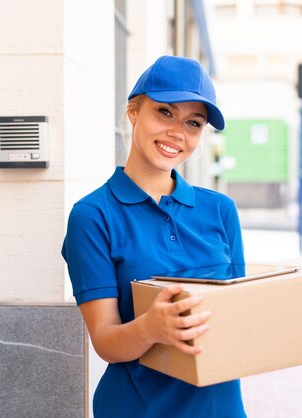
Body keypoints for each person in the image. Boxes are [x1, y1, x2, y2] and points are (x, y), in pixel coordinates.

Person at [62, 55, 247, 417]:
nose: (177, 132)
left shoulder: (221, 211)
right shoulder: (93, 215)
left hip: (219, 408)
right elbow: (105, 340)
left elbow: (239, 316)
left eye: (193, 123)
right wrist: (151, 327)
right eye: (164, 112)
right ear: (134, 112)